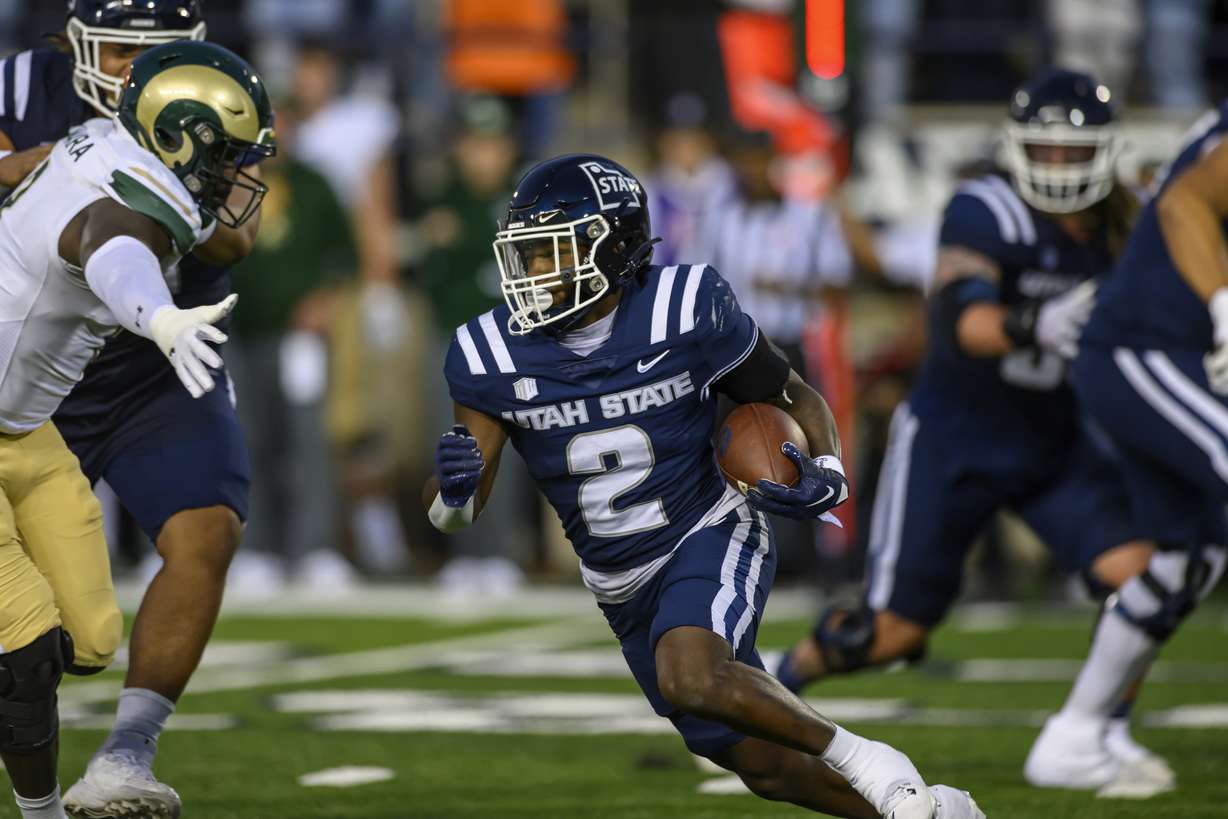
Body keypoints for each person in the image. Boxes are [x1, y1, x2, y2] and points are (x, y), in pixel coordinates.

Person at [425, 153, 983, 818]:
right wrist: (451, 492)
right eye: (528, 253)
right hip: (619, 581)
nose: (535, 271)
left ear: (616, 248)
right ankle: (939, 813)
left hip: (707, 527)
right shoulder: (490, 351)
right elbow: (457, 507)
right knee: (769, 768)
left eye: (553, 251)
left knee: (690, 672)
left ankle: (868, 758)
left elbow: (788, 391)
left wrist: (828, 472)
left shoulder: (685, 307)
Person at [771, 68, 1176, 795]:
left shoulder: (1128, 222)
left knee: (1145, 580)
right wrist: (1035, 322)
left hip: (1053, 440)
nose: (1056, 166)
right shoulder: (985, 209)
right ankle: (775, 685)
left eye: (1071, 152)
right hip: (954, 439)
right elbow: (963, 322)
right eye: (1043, 151)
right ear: (1018, 148)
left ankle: (1099, 732)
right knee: (888, 633)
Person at [0, 4, 270, 814]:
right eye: (119, 51)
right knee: (25, 632)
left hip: (154, 358)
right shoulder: (22, 86)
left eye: (153, 56)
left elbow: (234, 237)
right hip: (38, 357)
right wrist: (30, 169)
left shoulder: (206, 93)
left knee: (202, 529)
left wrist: (173, 171)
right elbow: (98, 235)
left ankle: (126, 755)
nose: (129, 70)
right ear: (75, 44)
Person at [1048, 98, 1228, 797]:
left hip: (1170, 352)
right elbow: (1185, 203)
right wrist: (1223, 307)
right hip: (1145, 348)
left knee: (1191, 554)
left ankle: (1077, 732)